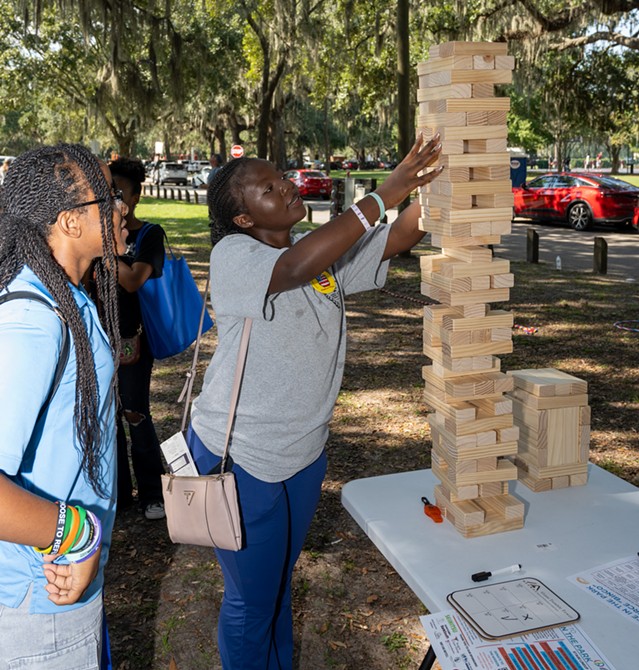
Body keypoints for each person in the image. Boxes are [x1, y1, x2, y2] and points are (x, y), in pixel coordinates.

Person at [189, 133, 443, 669]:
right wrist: (385, 190)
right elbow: (295, 268)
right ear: (241, 219)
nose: (283, 187)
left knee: (277, 584)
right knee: (251, 601)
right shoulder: (235, 255)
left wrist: (447, 179)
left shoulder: (317, 253)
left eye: (280, 176)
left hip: (303, 453)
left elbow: (396, 236)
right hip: (241, 456)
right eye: (266, 187)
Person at [0, 144, 128, 665]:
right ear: (71, 222)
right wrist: (76, 535)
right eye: (110, 197)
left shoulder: (68, 299)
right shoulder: (33, 322)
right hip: (39, 599)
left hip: (65, 587)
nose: (122, 207)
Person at [109, 157, 167, 520]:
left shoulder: (149, 234)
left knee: (134, 413)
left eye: (117, 191)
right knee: (105, 419)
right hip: (97, 336)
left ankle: (152, 494)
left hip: (133, 340)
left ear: (135, 196)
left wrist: (105, 244)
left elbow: (132, 280)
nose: (111, 198)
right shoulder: (93, 232)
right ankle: (118, 495)